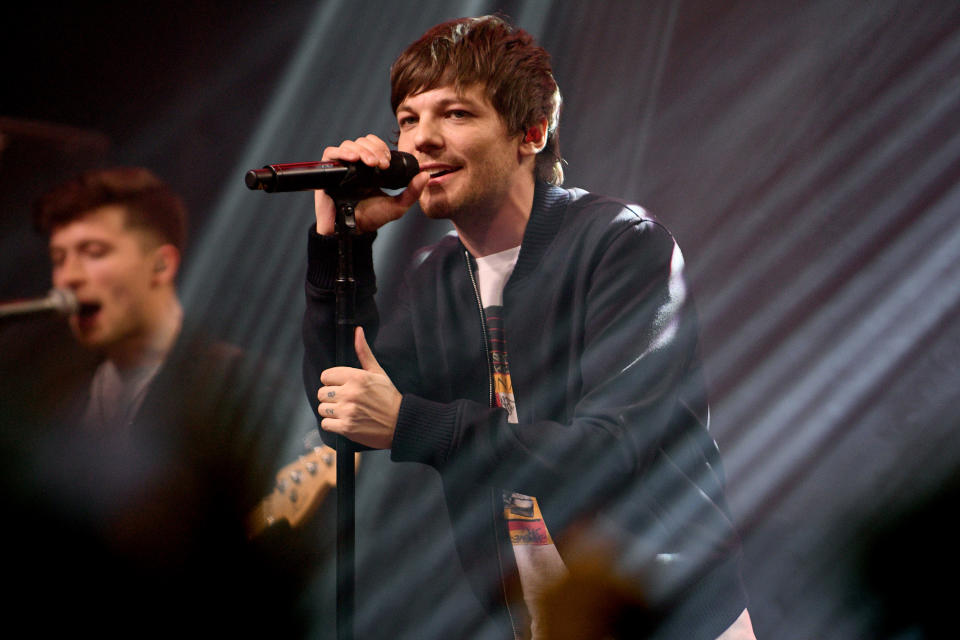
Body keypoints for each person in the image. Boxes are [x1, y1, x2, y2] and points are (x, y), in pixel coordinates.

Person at [302, 15, 755, 640]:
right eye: (408, 118)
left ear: (532, 133)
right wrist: (340, 246)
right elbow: (343, 408)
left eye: (455, 113)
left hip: (667, 618)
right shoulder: (438, 277)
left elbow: (610, 451)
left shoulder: (621, 244)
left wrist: (416, 423)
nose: (420, 140)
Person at [4, 166, 303, 635]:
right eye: (59, 258)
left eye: (93, 252)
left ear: (162, 265)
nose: (68, 278)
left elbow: (276, 567)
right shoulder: (52, 395)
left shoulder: (239, 390)